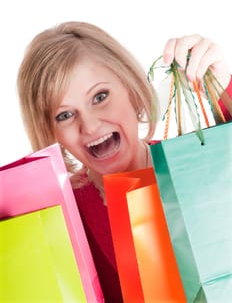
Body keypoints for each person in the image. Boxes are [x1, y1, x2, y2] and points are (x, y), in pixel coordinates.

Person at [17, 22, 232, 302]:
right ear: (51, 133)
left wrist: (224, 85)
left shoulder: (205, 165)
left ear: (131, 88)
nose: (90, 126)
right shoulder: (58, 220)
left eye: (100, 96)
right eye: (65, 115)